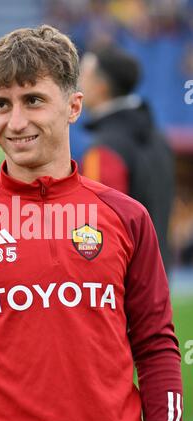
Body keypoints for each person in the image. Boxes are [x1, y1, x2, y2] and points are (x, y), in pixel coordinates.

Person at [0, 25, 186, 421]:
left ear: (73, 107)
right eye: (1, 104)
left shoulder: (127, 217)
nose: (15, 122)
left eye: (33, 100)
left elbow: (157, 346)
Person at [79, 45, 174, 273]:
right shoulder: (158, 138)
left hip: (119, 282)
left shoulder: (104, 149)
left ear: (101, 86)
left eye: (83, 74)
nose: (78, 83)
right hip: (156, 274)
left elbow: (98, 229)